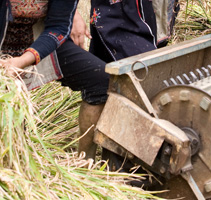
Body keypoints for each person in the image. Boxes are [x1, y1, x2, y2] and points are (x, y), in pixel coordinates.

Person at [0, 0, 158, 163]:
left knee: (102, 81)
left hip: (37, 40)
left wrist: (25, 59)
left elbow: (58, 27)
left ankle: (83, 163)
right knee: (10, 106)